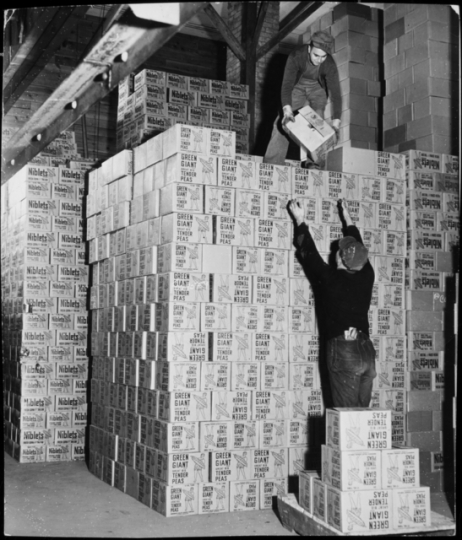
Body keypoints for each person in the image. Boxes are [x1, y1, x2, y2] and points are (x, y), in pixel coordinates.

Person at [288, 198, 376, 407]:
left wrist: (299, 220)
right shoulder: (367, 274)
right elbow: (356, 244)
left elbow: (306, 252)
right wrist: (347, 217)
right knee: (361, 417)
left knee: (347, 422)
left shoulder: (330, 280)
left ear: (339, 258)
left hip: (344, 349)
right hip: (366, 350)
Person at [264, 30, 342, 169]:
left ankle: (315, 163)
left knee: (318, 124)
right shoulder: (296, 56)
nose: (319, 60)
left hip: (317, 89)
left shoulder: (329, 64)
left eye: (323, 57)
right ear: (309, 48)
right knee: (283, 123)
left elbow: (336, 94)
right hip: (297, 87)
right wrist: (287, 111)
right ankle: (272, 163)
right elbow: (287, 85)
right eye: (316, 55)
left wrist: (336, 124)